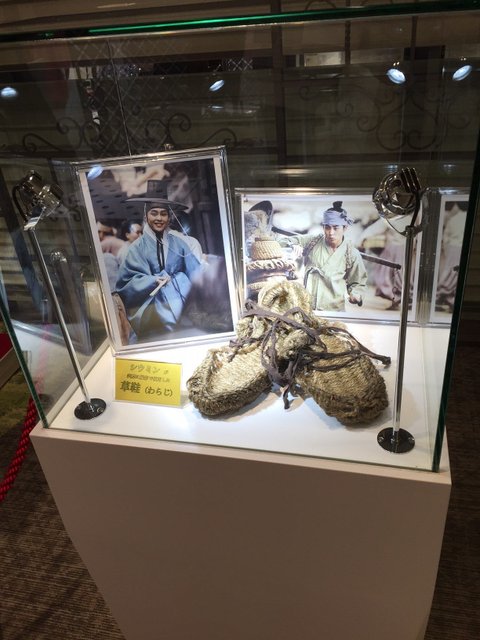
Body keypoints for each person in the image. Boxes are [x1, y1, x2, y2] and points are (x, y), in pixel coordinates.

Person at [115, 182, 202, 340]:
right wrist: (152, 280)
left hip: (181, 300)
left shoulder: (179, 244)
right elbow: (125, 284)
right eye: (154, 213)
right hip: (153, 308)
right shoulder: (136, 248)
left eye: (163, 214)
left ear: (169, 217)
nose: (159, 218)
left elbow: (196, 273)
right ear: (146, 215)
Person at [281, 201, 367, 311]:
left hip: (334, 310)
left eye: (336, 228)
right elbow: (280, 242)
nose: (331, 232)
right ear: (323, 227)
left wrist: (356, 294)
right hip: (307, 308)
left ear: (345, 228)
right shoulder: (312, 241)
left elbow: (358, 282)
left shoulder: (351, 253)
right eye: (327, 227)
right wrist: (293, 245)